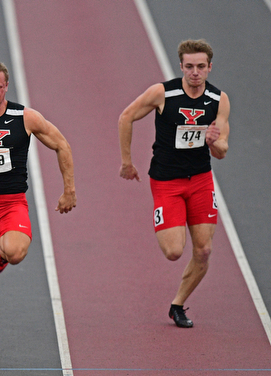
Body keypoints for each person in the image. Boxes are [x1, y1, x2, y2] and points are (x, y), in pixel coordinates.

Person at [0, 59, 77, 360]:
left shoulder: (26, 118)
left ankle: (3, 255)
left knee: (16, 253)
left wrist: (69, 189)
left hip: (12, 204)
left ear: (6, 86)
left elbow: (62, 145)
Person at [118, 39, 230, 328]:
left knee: (204, 250)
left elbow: (222, 151)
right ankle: (166, 215)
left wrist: (213, 141)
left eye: (201, 67)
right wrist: (127, 161)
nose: (195, 72)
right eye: (189, 66)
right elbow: (126, 117)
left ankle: (177, 304)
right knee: (174, 252)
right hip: (167, 181)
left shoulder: (219, 101)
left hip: (201, 180)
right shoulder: (162, 93)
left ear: (209, 68)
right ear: (181, 66)